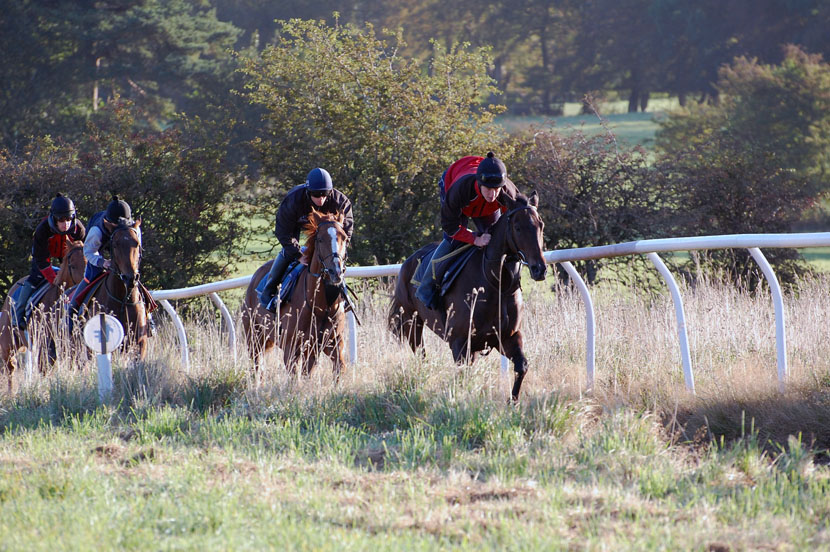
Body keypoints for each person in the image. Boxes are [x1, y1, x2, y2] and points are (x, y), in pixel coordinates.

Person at [414, 152, 519, 309]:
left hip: (480, 202)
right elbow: (450, 226)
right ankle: (426, 287)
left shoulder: (507, 192)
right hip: (453, 184)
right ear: (479, 183)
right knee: (453, 241)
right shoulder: (460, 189)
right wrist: (475, 239)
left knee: (494, 238)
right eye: (488, 189)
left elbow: (516, 218)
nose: (493, 194)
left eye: (497, 189)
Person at [259, 167, 354, 311]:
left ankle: (344, 297)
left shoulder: (340, 202)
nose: (321, 199)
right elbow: (283, 231)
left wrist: (339, 251)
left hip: (328, 232)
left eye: (325, 194)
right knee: (286, 254)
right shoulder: (293, 200)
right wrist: (297, 255)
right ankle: (268, 291)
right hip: (295, 226)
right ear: (308, 192)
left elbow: (346, 231)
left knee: (333, 261)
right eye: (316, 194)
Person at [11, 194, 86, 329]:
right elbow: (41, 260)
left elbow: (83, 254)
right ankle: (19, 313)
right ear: (54, 218)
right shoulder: (42, 230)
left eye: (69, 219)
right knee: (35, 278)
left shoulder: (79, 229)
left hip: (67, 255)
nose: (66, 223)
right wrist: (54, 279)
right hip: (44, 256)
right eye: (61, 219)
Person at [67, 196, 139, 322]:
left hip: (123, 260)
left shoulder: (134, 230)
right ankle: (70, 322)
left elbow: (137, 251)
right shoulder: (96, 231)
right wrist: (103, 262)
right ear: (110, 224)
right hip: (97, 260)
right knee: (75, 302)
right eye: (117, 226)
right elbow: (88, 251)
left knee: (136, 284)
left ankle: (149, 319)